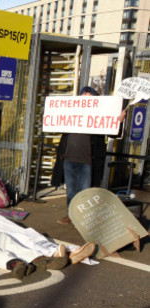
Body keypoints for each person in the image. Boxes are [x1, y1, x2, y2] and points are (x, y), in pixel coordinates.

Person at [51, 86, 122, 225]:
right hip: (69, 158)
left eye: (89, 98)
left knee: (86, 192)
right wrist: (50, 117)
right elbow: (56, 125)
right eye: (83, 97)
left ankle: (85, 220)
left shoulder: (99, 117)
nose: (86, 101)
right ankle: (71, 215)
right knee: (71, 191)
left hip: (88, 161)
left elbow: (113, 133)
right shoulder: (70, 114)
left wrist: (118, 122)